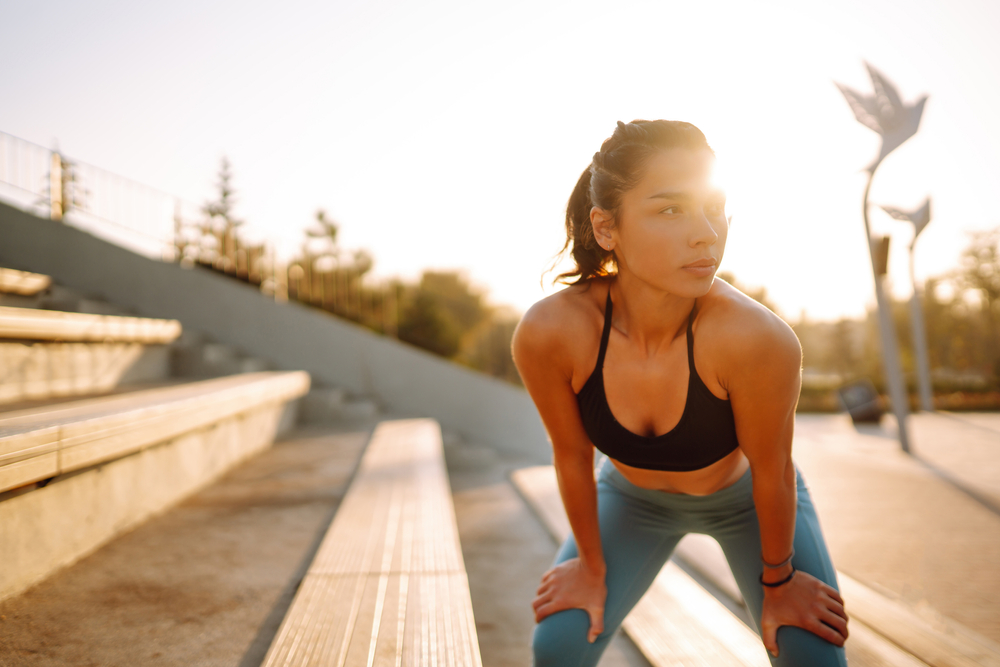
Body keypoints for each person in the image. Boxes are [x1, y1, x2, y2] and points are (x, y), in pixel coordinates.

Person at [511, 119, 849, 666]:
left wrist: (781, 581)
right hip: (631, 501)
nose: (706, 234)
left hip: (746, 504)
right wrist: (590, 567)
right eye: (670, 209)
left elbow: (773, 471)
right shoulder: (554, 331)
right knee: (559, 644)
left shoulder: (756, 339)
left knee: (812, 654)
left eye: (713, 208)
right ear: (606, 227)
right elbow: (571, 455)